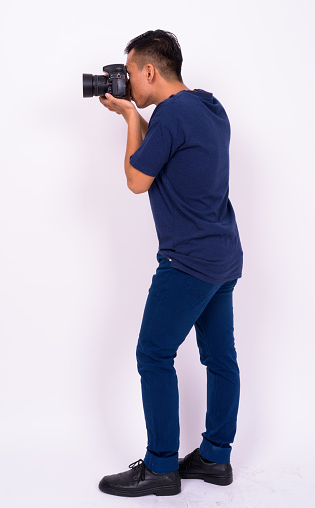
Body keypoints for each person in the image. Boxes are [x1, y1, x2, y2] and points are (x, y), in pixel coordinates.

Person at [97, 29, 243, 497]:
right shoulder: (208, 107)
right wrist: (136, 115)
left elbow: (137, 180)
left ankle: (161, 468)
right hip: (223, 255)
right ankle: (216, 458)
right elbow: (157, 160)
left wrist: (127, 118)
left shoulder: (169, 115)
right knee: (220, 357)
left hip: (187, 261)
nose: (126, 84)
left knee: (153, 353)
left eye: (128, 74)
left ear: (149, 71)